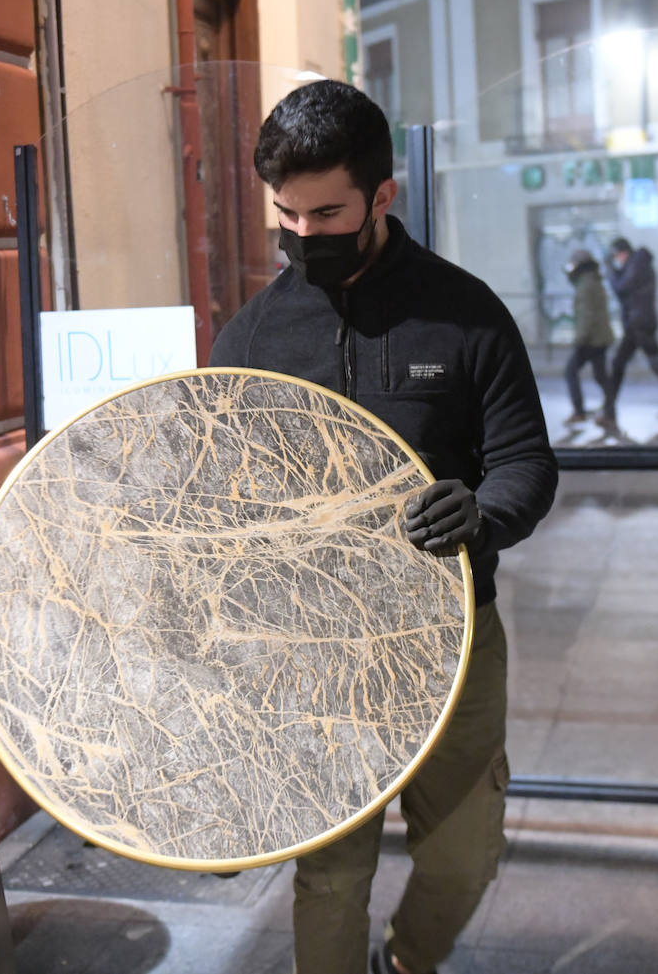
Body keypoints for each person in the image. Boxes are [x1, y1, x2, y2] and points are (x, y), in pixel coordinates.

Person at [209, 79, 558, 974]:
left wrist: (483, 510)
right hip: (314, 646)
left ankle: (407, 963)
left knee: (465, 848)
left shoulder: (466, 312)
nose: (303, 236)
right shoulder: (249, 337)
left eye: (328, 213)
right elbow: (218, 493)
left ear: (383, 197)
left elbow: (527, 462)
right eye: (285, 215)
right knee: (328, 868)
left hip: (452, 635)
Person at [602, 237, 658, 425]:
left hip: (639, 324)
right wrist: (615, 270)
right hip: (638, 323)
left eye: (616, 256)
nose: (617, 259)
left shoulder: (638, 264)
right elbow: (623, 286)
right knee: (624, 364)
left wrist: (610, 271)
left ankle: (608, 410)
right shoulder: (636, 264)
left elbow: (621, 287)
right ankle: (608, 410)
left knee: (639, 364)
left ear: (624, 252)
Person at [562, 249, 614, 424]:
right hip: (600, 338)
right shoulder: (595, 280)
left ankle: (579, 412)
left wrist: (580, 339)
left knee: (570, 371)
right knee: (601, 376)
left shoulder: (585, 286)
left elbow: (586, 316)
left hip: (590, 340)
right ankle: (610, 413)